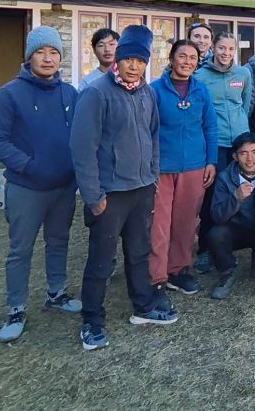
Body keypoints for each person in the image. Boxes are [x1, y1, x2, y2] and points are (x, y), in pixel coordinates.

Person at [71, 25, 177, 351]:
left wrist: (153, 175)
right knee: (101, 261)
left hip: (142, 188)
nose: (134, 65)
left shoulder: (146, 92)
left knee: (138, 252)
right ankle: (92, 320)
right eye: (128, 58)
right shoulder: (97, 94)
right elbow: (82, 148)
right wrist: (93, 196)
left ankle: (143, 307)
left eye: (140, 60)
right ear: (117, 58)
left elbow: (154, 136)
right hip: (110, 193)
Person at [0, 26, 80, 343]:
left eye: (54, 52)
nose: (48, 58)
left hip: (63, 187)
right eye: (41, 52)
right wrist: (29, 165)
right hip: (26, 188)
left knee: (58, 242)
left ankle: (55, 293)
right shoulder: (9, 95)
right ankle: (15, 308)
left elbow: (81, 135)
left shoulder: (70, 94)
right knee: (20, 250)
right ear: (29, 57)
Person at [148, 39, 218, 296]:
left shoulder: (201, 91)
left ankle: (178, 270)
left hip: (194, 166)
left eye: (193, 57)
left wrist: (211, 160)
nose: (187, 61)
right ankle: (157, 276)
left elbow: (210, 126)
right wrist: (150, 166)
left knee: (186, 222)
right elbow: (147, 130)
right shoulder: (154, 91)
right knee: (159, 223)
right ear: (171, 58)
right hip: (162, 168)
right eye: (182, 56)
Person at [193, 31, 252, 273]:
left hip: (239, 142)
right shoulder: (200, 76)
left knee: (242, 191)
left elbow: (246, 104)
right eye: (221, 48)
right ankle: (206, 249)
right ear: (213, 49)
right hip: (214, 144)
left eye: (230, 49)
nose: (226, 53)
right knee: (211, 196)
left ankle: (235, 240)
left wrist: (240, 127)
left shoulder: (243, 73)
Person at [205, 132, 255, 300]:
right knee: (216, 234)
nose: (250, 158)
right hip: (236, 228)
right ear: (235, 156)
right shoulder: (225, 177)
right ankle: (227, 271)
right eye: (243, 153)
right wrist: (235, 198)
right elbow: (216, 216)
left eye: (254, 152)